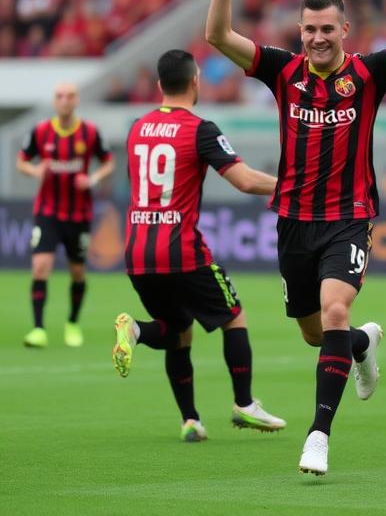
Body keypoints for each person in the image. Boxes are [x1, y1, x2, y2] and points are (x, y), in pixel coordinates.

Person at [206, 0, 386, 474]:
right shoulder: (282, 71)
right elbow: (217, 36)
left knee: (335, 310)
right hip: (293, 221)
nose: (317, 38)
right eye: (310, 29)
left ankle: (318, 435)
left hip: (349, 217)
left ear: (345, 31)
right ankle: (361, 345)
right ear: (300, 31)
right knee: (318, 334)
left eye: (327, 30)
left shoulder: (370, 74)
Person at [112, 49, 286, 442]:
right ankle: (244, 404)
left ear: (160, 84)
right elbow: (244, 180)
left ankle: (188, 417)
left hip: (137, 251)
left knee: (176, 331)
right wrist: (291, 186)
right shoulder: (200, 129)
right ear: (195, 82)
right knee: (234, 316)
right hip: (181, 249)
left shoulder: (137, 128)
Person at [17, 83, 115, 348]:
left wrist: (92, 179)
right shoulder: (41, 131)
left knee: (77, 272)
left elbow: (109, 162)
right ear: (54, 101)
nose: (64, 101)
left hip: (78, 214)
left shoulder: (90, 132)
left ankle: (72, 322)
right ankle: (38, 329)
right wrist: (35, 171)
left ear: (76, 100)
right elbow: (21, 160)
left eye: (69, 96)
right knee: (40, 266)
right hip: (47, 212)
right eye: (60, 96)